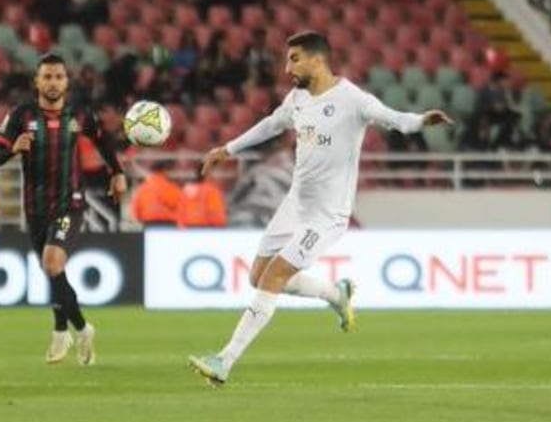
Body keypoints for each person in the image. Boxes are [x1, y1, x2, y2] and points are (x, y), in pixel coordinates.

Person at [187, 31, 453, 385]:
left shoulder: (352, 99)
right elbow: (272, 124)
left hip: (327, 215)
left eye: (294, 59)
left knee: (275, 275)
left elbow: (394, 119)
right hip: (295, 204)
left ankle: (224, 360)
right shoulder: (297, 98)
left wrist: (421, 120)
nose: (287, 68)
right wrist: (227, 149)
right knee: (257, 277)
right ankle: (335, 294)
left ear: (317, 59)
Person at [0, 53, 127, 366]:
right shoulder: (20, 115)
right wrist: (12, 149)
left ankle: (68, 331)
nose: (53, 82)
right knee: (53, 272)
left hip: (70, 203)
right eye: (47, 77)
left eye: (58, 77)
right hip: (35, 207)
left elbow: (103, 141)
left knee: (51, 264)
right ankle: (76, 329)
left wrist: (117, 173)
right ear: (37, 81)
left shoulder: (79, 114)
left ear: (66, 82)